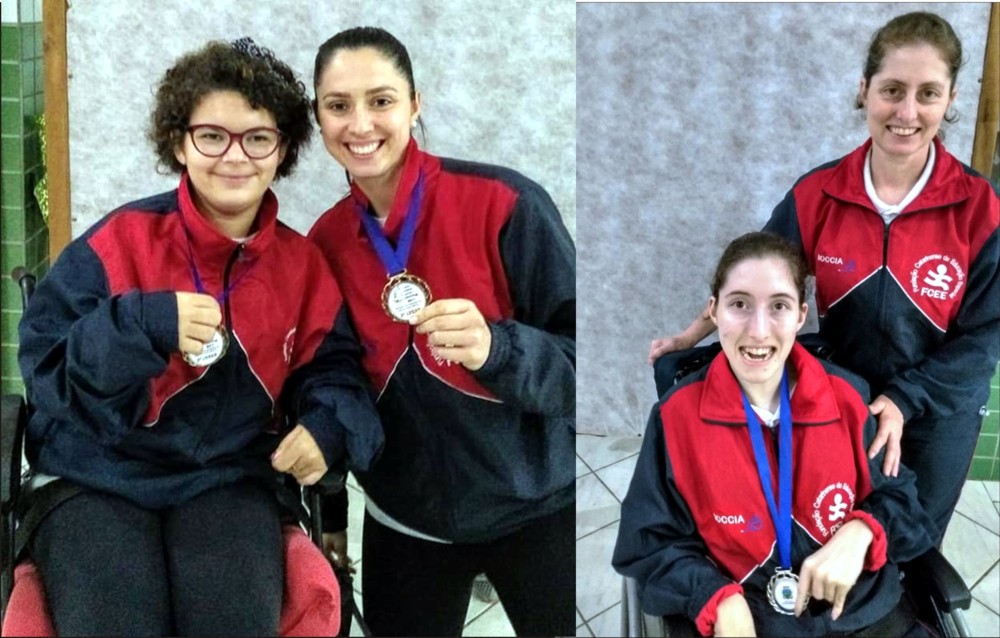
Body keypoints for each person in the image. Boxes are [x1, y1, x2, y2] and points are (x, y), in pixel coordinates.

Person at [16, 38, 383, 636]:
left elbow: (334, 370)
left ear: (282, 149)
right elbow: (48, 370)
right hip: (95, 473)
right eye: (212, 136)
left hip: (228, 477)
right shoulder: (118, 242)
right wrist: (140, 325)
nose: (234, 157)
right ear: (180, 142)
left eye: (258, 137)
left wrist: (328, 427)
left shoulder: (302, 266)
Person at [648, 11, 1000, 545]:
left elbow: (988, 333)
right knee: (831, 528)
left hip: (935, 413)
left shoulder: (980, 208)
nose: (907, 112)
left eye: (928, 93)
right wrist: (694, 333)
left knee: (909, 542)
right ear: (864, 91)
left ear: (950, 101)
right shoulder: (819, 194)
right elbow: (758, 278)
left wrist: (908, 399)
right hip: (839, 399)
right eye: (892, 90)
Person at [307, 26, 576, 637]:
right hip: (406, 520)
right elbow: (334, 378)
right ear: (318, 118)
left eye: (381, 100)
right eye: (338, 105)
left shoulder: (505, 203)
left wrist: (498, 349)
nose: (360, 124)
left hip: (534, 508)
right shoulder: (324, 243)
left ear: (414, 105)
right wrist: (328, 503)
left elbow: (585, 364)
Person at [616, 232, 937, 637]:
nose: (759, 330)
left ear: (801, 316)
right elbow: (648, 543)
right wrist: (716, 596)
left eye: (779, 306)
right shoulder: (674, 418)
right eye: (739, 305)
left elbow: (903, 502)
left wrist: (862, 532)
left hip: (866, 616)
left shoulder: (848, 398)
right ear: (714, 312)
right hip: (751, 620)